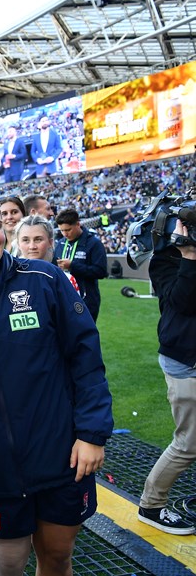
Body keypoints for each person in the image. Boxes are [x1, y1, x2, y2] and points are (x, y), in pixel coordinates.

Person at [0, 181, 113, 576]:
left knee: (56, 556)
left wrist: (91, 433)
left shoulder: (44, 280)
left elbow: (86, 358)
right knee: (8, 560)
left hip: (61, 456)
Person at [137, 219, 196, 535]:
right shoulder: (166, 258)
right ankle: (152, 505)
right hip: (185, 359)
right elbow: (181, 304)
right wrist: (189, 256)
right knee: (189, 442)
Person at [54, 208, 108, 322]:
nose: (65, 234)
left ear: (78, 224)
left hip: (86, 299)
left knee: (85, 336)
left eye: (68, 230)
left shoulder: (94, 243)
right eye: (62, 230)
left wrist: (73, 266)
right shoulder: (61, 243)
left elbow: (101, 271)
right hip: (63, 298)